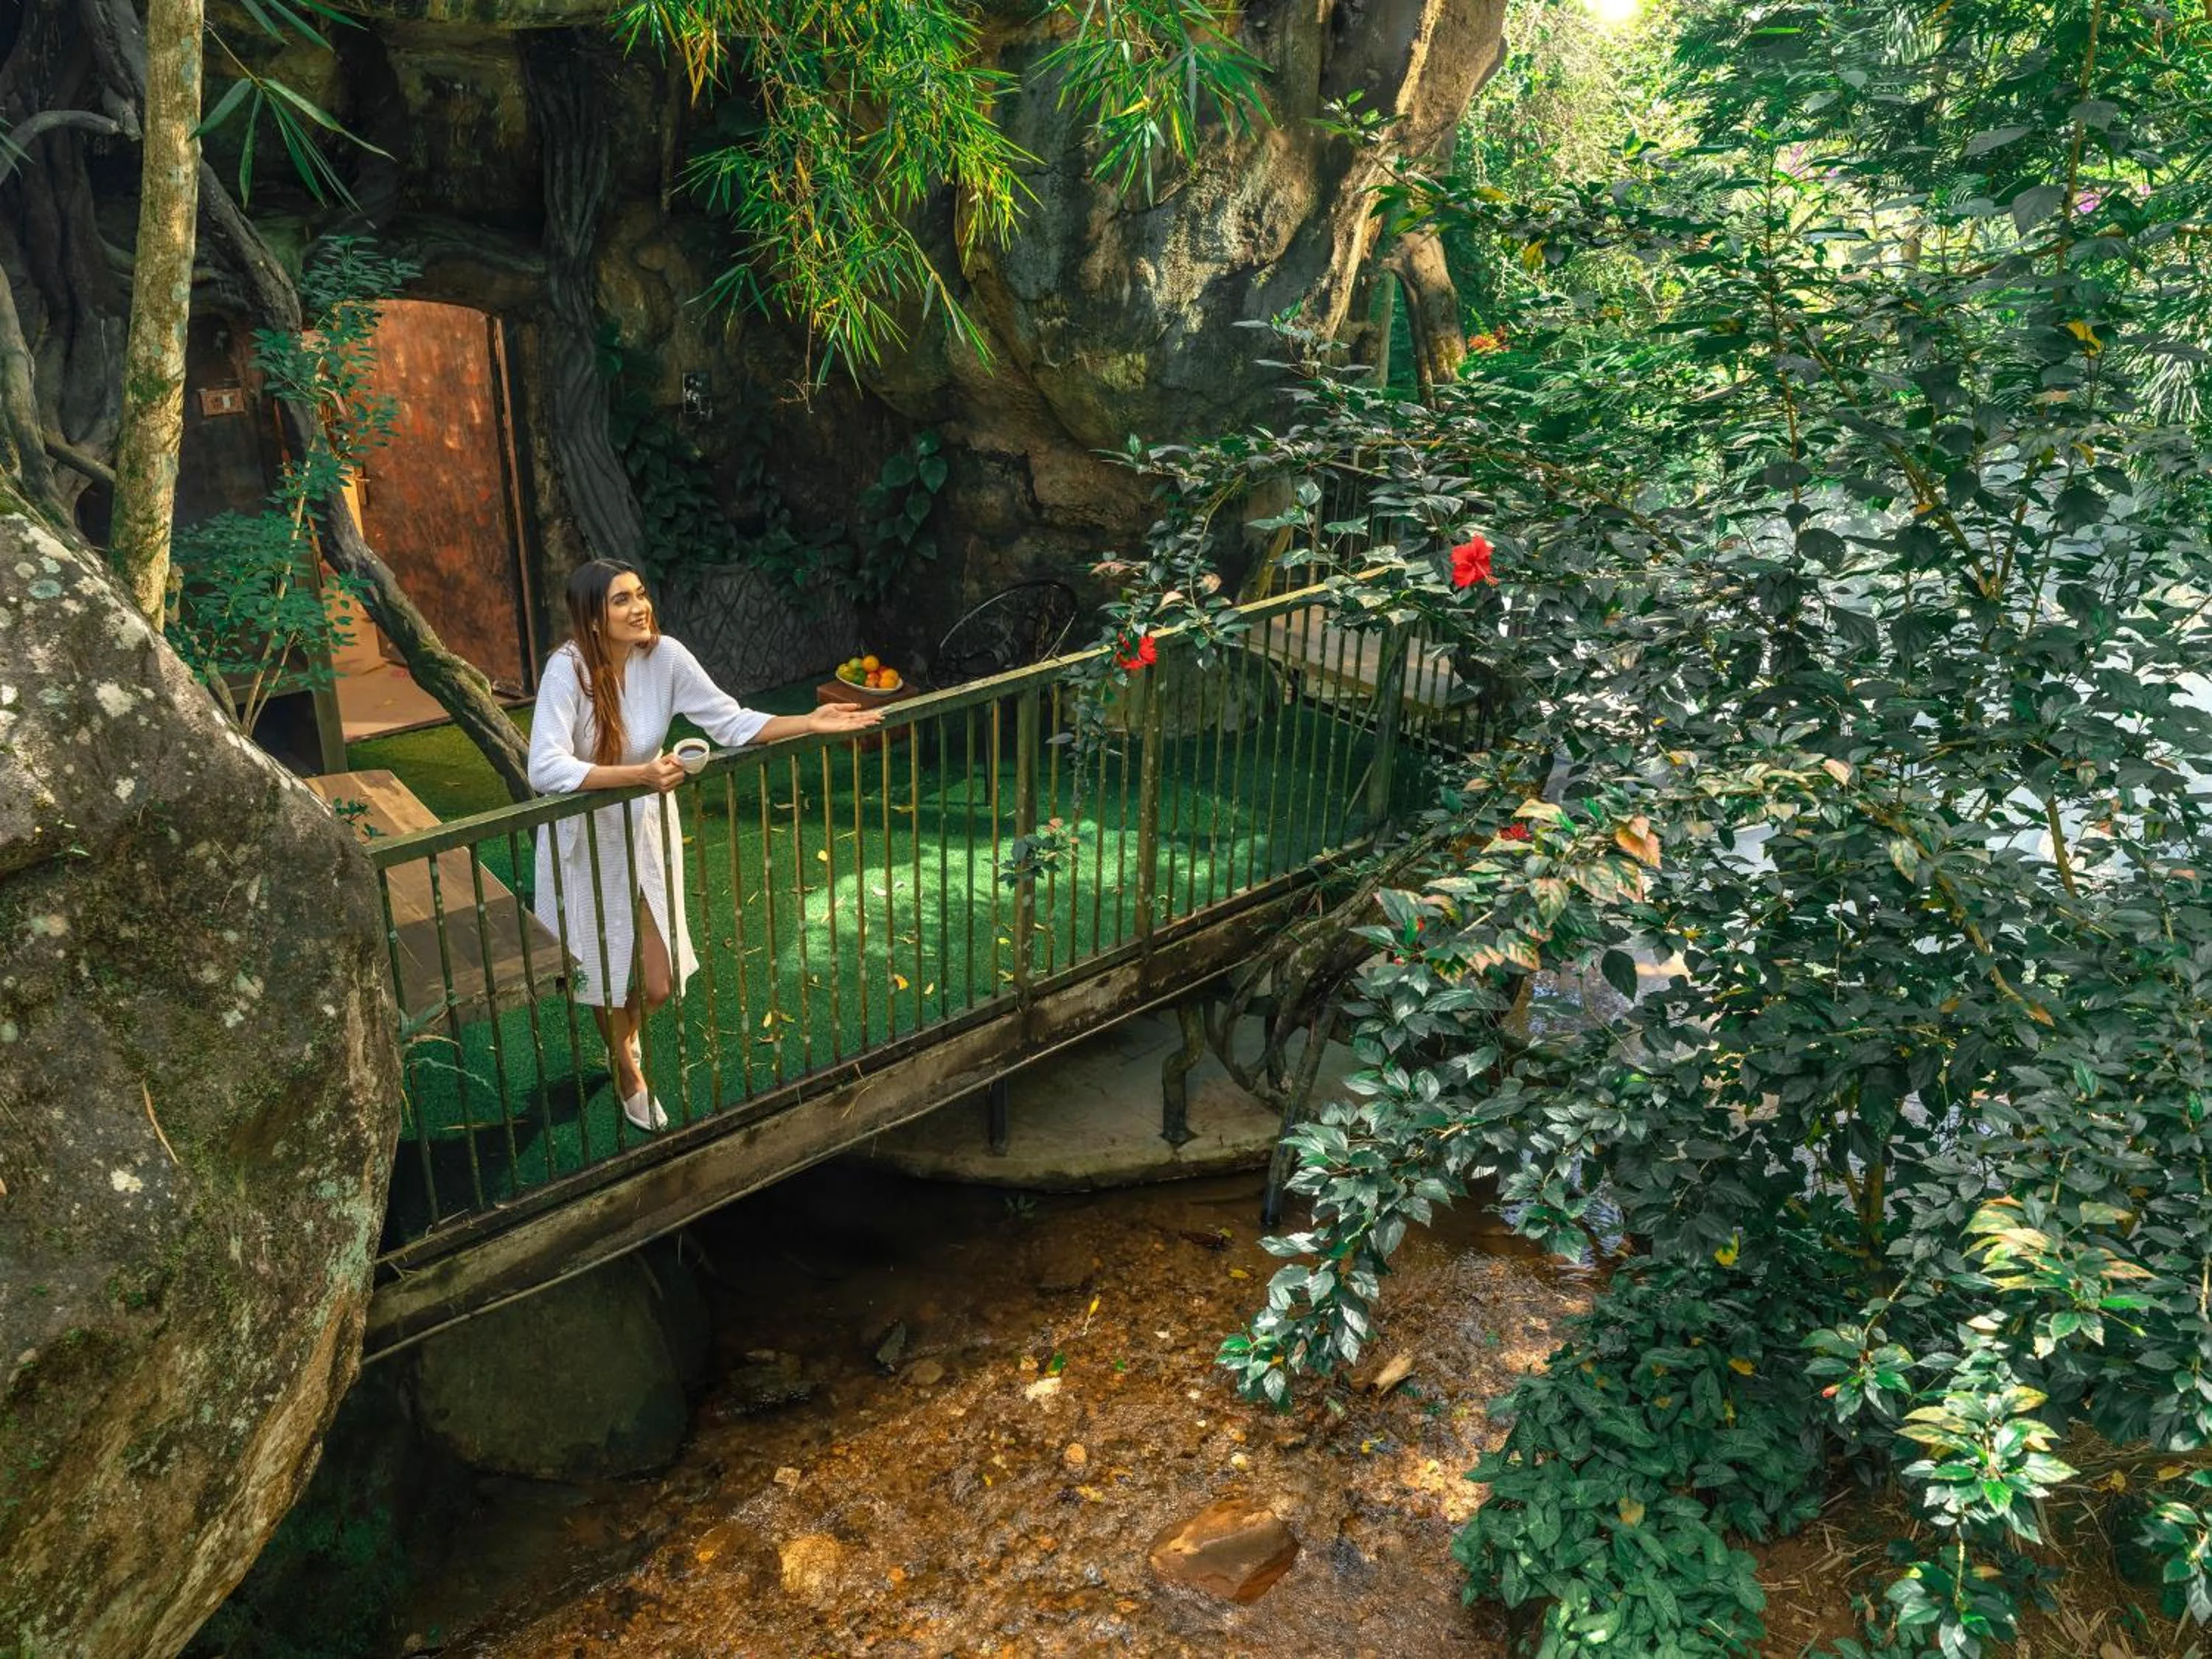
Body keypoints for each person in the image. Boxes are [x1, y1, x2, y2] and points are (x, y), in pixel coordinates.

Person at [527, 559, 883, 1130]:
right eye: (621, 600)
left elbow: (732, 721)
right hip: (586, 839)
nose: (640, 607)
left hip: (643, 830)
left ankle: (626, 1038)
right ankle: (625, 1067)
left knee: (657, 980)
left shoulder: (664, 656)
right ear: (593, 618)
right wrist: (640, 774)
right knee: (601, 964)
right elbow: (545, 766)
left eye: (641, 594)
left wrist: (808, 723)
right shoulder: (566, 671)